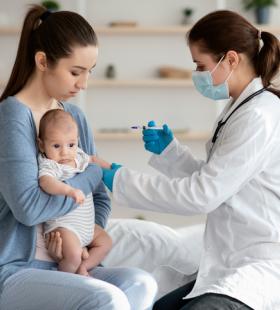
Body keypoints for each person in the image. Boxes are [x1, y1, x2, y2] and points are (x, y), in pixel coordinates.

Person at [99, 10, 280, 310]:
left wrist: (121, 180)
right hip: (227, 261)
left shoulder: (258, 116)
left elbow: (203, 195)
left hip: (256, 266)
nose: (197, 74)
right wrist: (170, 152)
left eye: (200, 65)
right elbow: (218, 180)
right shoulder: (240, 108)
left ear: (231, 59)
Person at [0, 5, 157, 310]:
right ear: (43, 61)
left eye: (89, 72)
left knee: (141, 283)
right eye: (75, 72)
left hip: (69, 262)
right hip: (17, 269)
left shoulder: (74, 117)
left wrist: (80, 240)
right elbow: (30, 209)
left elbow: (100, 199)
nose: (83, 84)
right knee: (106, 297)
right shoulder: (11, 117)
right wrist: (93, 174)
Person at [38, 109, 113, 276]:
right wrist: (69, 190)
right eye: (56, 146)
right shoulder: (50, 164)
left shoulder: (78, 156)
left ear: (77, 142)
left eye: (70, 144)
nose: (65, 152)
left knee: (106, 242)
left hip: (86, 227)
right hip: (63, 227)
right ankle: (69, 281)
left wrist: (113, 170)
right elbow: (46, 182)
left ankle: (84, 267)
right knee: (72, 256)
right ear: (42, 145)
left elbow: (93, 160)